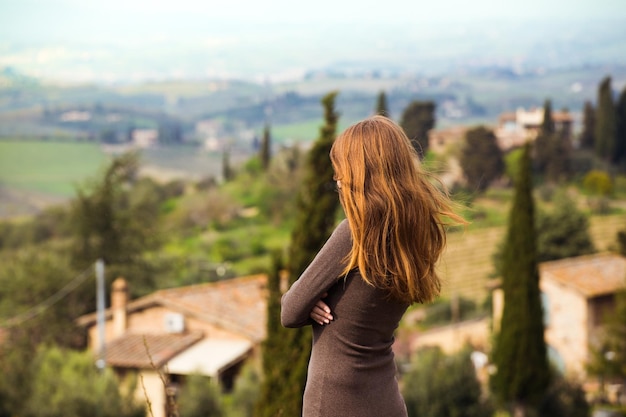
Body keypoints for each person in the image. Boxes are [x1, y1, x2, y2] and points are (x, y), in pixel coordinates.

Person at [281, 115, 466, 417]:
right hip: (386, 401)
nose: (337, 180)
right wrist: (309, 300)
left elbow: (289, 311)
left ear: (362, 174)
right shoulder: (417, 231)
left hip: (334, 402)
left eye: (342, 171)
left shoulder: (353, 234)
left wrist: (308, 299)